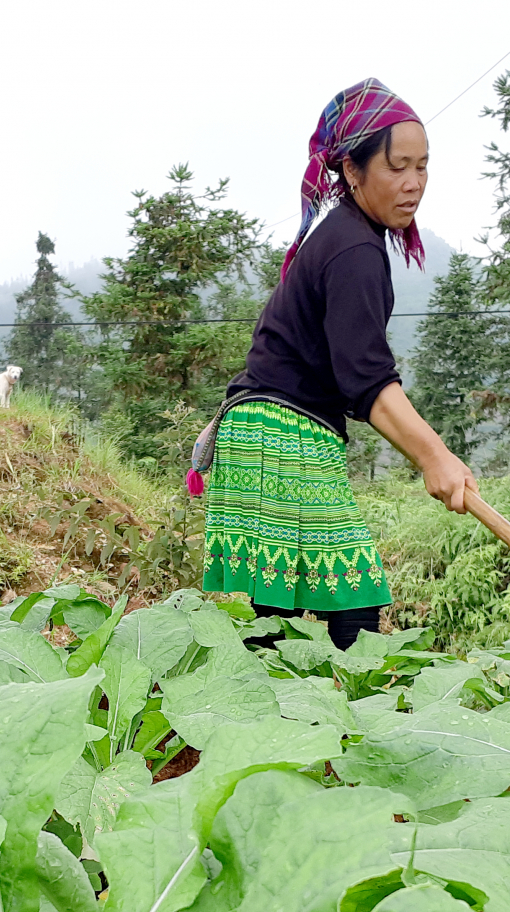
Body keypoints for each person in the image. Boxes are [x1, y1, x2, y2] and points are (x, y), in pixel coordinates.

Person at [200, 78, 477, 651]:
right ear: (353, 172)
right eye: (398, 167)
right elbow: (368, 379)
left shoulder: (352, 237)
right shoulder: (353, 248)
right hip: (279, 431)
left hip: (267, 428)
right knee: (353, 595)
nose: (414, 184)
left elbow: (355, 376)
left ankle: (279, 725)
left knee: (276, 608)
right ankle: (327, 724)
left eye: (423, 167)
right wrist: (436, 458)